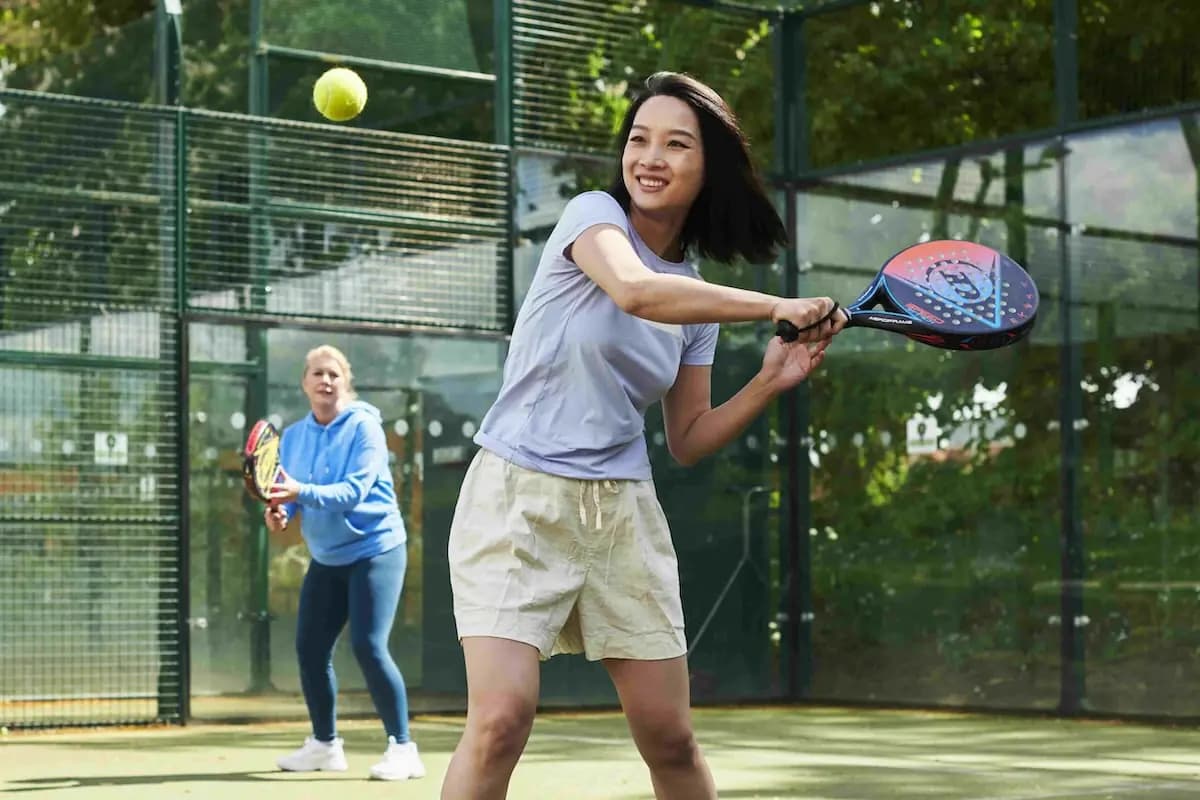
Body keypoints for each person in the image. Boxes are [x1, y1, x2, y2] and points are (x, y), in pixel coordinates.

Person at [440, 72, 846, 800]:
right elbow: (634, 290)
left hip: (621, 515)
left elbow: (687, 436)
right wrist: (774, 305)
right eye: (639, 139)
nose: (649, 157)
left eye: (675, 144)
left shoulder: (695, 295)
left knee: (672, 739)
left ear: (707, 168)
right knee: (501, 719)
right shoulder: (591, 217)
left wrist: (768, 380)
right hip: (516, 500)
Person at [264, 344, 425, 782]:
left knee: (368, 645)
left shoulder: (364, 429)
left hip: (377, 548)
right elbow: (292, 494)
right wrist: (282, 511)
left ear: (345, 383)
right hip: (328, 557)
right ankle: (324, 744)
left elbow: (352, 492)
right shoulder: (294, 437)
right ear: (305, 383)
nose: (325, 381)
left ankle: (404, 748)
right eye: (317, 373)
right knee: (310, 650)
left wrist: (297, 493)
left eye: (334, 374)